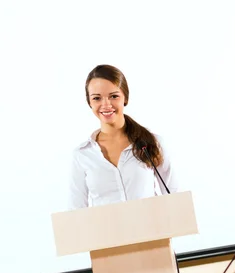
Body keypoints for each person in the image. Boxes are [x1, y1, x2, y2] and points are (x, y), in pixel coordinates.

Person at [68, 64, 178, 210]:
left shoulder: (152, 143)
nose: (106, 105)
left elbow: (174, 199)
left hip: (151, 233)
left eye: (114, 96)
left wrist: (165, 233)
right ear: (89, 102)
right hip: (105, 233)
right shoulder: (82, 155)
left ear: (125, 97)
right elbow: (76, 213)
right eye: (97, 98)